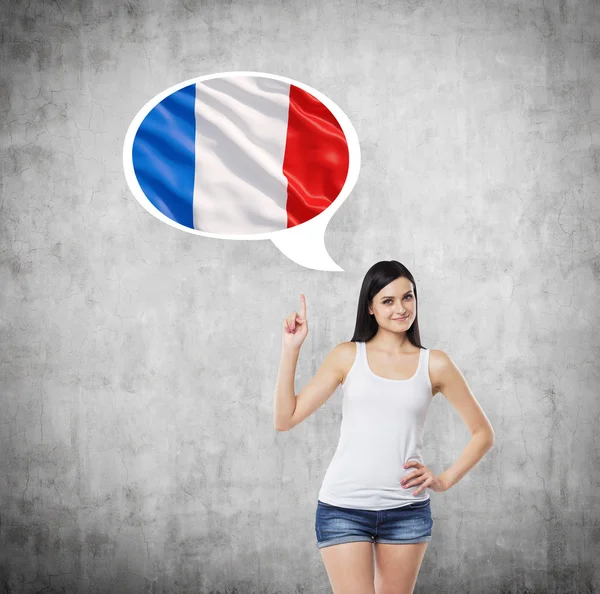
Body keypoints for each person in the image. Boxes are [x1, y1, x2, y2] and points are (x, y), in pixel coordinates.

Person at [273, 260, 495, 594]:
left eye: (407, 297)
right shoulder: (347, 356)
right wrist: (291, 349)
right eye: (388, 301)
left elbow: (483, 433)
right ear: (371, 308)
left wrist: (444, 480)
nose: (401, 308)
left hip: (406, 512)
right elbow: (285, 418)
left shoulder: (435, 364)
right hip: (343, 509)